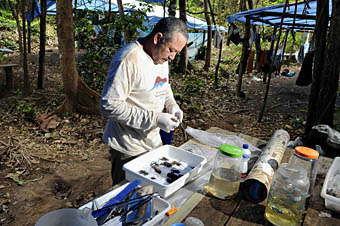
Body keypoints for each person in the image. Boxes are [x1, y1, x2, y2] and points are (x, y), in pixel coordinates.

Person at [100, 17, 188, 185]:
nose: (172, 57)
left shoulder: (160, 56)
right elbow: (109, 105)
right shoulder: (128, 58)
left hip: (153, 143)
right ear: (157, 38)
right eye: (171, 50)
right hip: (128, 147)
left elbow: (163, 84)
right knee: (128, 199)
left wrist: (172, 105)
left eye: (176, 52)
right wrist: (155, 118)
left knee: (149, 193)